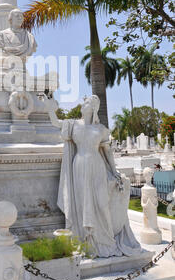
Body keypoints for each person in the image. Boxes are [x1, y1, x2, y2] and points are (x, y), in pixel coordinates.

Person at [45, 94, 141, 258]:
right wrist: (49, 108)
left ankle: (104, 240)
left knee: (101, 203)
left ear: (94, 108)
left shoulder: (101, 129)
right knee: (83, 203)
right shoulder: (73, 125)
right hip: (79, 166)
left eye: (87, 103)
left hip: (97, 167)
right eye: (84, 102)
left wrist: (115, 171)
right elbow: (55, 123)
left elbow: (107, 152)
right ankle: (86, 241)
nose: (83, 105)